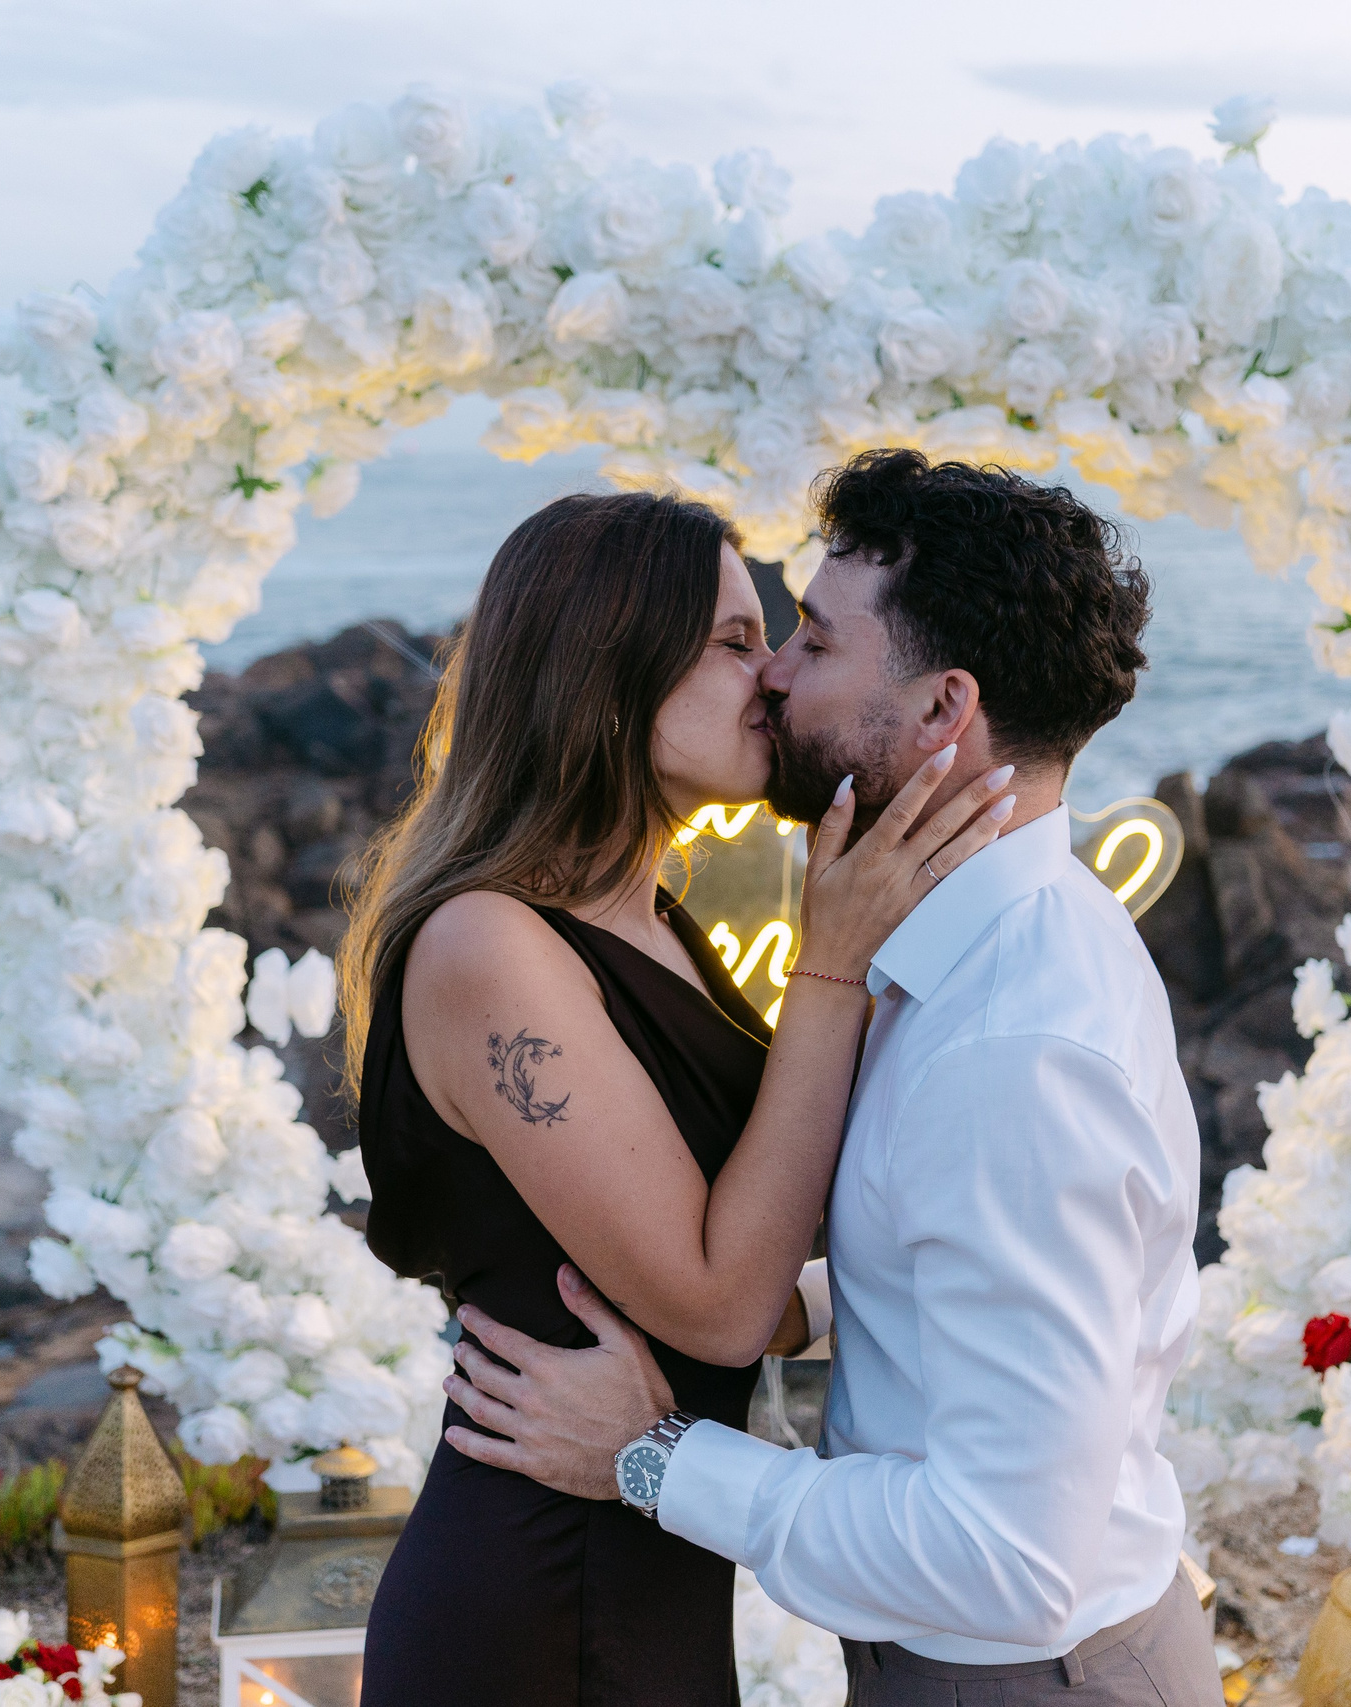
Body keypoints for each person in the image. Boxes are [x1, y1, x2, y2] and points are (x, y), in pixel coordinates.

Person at [442, 450, 1223, 1707]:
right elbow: (953, 1244)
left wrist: (651, 1461)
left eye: (808, 635)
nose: (775, 672)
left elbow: (1003, 1561)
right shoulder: (973, 950)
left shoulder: (1010, 1045)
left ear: (938, 710)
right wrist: (830, 1294)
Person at [341, 487, 1016, 1707]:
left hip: (643, 1544)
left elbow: (745, 1246)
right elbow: (713, 1304)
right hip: (538, 1595)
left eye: (772, 638)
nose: (769, 679)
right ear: (605, 677)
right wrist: (830, 962)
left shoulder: (650, 919)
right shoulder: (489, 949)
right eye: (733, 641)